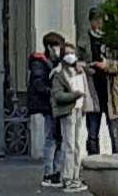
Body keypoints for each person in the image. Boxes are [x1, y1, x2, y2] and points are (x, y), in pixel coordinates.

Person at [29, 32, 90, 187]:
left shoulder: (59, 63)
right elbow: (40, 85)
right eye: (57, 47)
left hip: (62, 105)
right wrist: (55, 92)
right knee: (52, 138)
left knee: (62, 139)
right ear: (49, 47)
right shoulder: (40, 63)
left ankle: (59, 171)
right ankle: (50, 173)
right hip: (48, 104)